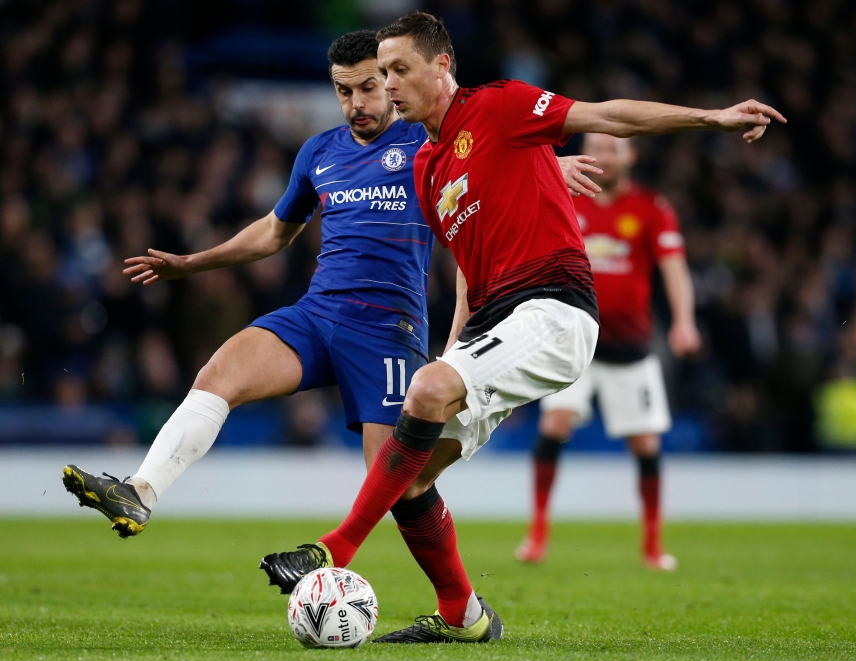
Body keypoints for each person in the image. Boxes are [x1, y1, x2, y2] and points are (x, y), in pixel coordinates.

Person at [259, 11, 784, 644]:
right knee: (410, 477)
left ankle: (333, 550)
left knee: (422, 402)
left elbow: (607, 114)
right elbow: (467, 274)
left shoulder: (502, 106)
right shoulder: (428, 168)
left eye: (400, 70)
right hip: (494, 324)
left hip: (555, 310)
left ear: (441, 65)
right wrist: (452, 354)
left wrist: (712, 118)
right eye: (383, 73)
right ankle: (464, 615)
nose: (389, 84)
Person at [60, 30, 603, 538]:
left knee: (395, 488)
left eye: (369, 87)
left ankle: (461, 606)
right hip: (317, 315)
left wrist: (550, 166)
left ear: (392, 83)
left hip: (388, 331)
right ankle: (140, 491)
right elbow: (275, 233)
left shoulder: (426, 142)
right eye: (344, 91)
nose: (357, 104)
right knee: (220, 371)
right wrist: (193, 262)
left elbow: (490, 159)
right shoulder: (319, 153)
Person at [516, 133, 701, 571]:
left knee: (646, 445)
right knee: (555, 425)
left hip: (630, 349)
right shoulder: (562, 196)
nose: (603, 155)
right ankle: (538, 532)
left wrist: (684, 320)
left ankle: (653, 545)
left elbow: (673, 268)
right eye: (596, 146)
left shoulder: (651, 208)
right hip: (572, 344)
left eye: (614, 148)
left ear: (631, 155)